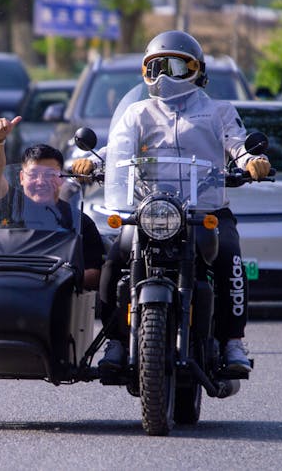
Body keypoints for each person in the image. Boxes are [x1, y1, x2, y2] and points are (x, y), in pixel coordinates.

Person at [72, 30, 271, 372]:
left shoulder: (218, 111)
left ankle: (233, 342)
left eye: (176, 67)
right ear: (145, 73)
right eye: (155, 68)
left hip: (205, 211)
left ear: (197, 70)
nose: (164, 76)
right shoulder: (137, 113)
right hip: (150, 211)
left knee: (229, 258)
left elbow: (237, 144)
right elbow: (113, 151)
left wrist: (251, 162)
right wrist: (91, 162)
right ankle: (116, 341)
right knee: (115, 259)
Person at [0, 116, 103, 290]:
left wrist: (61, 282)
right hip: (4, 295)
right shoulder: (7, 208)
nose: (41, 181)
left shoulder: (79, 222)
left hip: (56, 306)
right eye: (33, 175)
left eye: (49, 175)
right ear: (22, 178)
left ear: (61, 179)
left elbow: (94, 272)